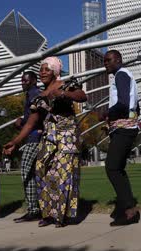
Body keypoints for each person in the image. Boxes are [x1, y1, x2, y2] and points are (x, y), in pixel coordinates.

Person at [34, 57, 87, 228]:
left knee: (64, 174)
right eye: (41, 69)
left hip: (67, 135)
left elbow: (82, 96)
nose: (42, 72)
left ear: (55, 71)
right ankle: (48, 213)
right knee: (42, 170)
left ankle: (61, 216)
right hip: (49, 136)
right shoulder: (40, 94)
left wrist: (63, 94)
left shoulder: (65, 84)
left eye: (46, 69)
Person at [103, 49, 140, 226]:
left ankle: (129, 210)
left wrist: (107, 113)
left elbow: (124, 103)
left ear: (118, 60)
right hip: (127, 127)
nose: (106, 63)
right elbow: (134, 105)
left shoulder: (121, 74)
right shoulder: (126, 75)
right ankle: (127, 207)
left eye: (108, 60)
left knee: (112, 168)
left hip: (124, 129)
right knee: (118, 168)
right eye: (104, 61)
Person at [3, 71, 43, 223]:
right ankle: (36, 208)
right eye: (22, 80)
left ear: (33, 81)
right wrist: (22, 121)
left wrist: (15, 140)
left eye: (26, 80)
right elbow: (31, 120)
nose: (23, 83)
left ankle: (34, 210)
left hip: (34, 139)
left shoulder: (34, 94)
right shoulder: (30, 95)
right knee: (33, 173)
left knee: (26, 172)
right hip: (33, 137)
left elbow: (34, 121)